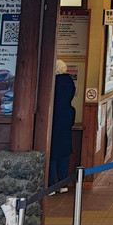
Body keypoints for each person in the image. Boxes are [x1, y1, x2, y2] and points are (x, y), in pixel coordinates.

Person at [49, 60, 76, 192]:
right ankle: (63, 183)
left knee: (52, 152)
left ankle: (50, 185)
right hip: (66, 117)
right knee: (64, 152)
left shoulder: (52, 82)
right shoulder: (69, 81)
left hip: (53, 118)